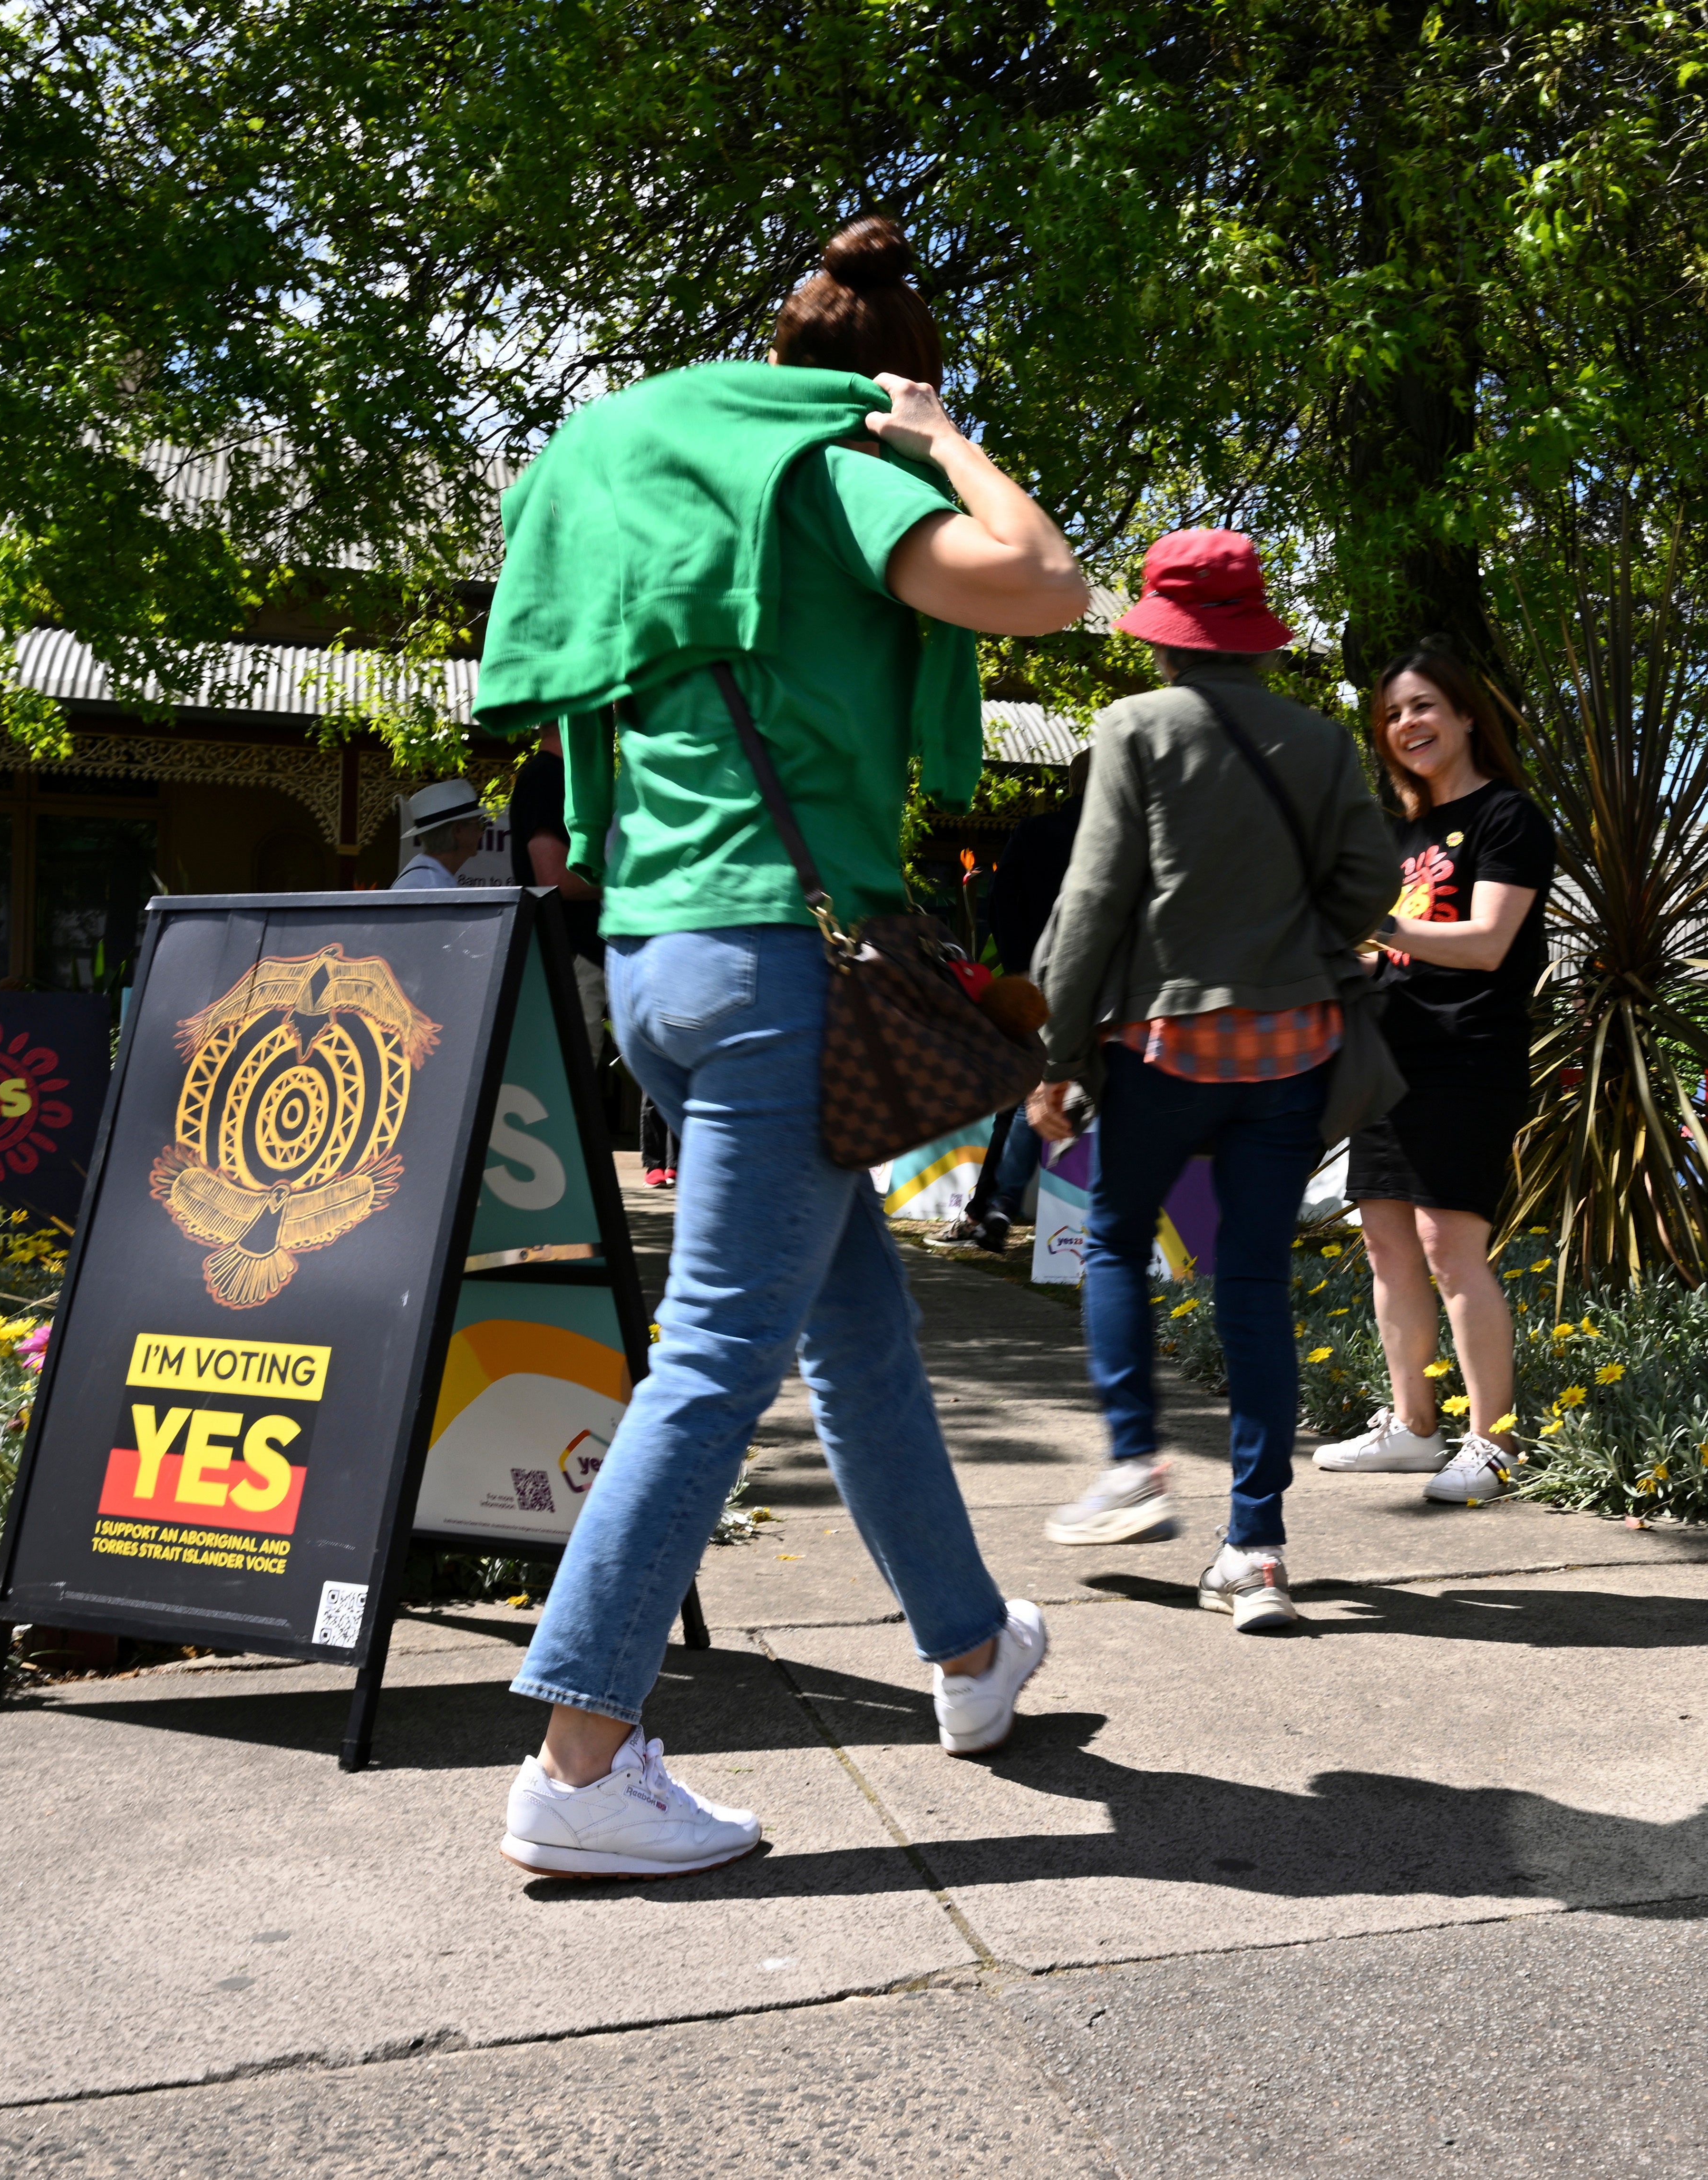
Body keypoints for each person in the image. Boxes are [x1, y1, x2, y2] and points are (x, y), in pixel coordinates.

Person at [472, 214, 1093, 1875]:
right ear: (878, 375)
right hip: (784, 970)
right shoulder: (831, 471)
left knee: (860, 1333)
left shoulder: (646, 492)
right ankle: (578, 1763)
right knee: (715, 1360)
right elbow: (1045, 585)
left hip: (656, 965)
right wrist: (941, 439)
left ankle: (970, 1654)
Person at [1026, 529, 1398, 1634]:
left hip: (1166, 1048)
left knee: (1114, 1233)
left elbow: (1092, 900)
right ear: (1255, 634)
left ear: (1162, 636)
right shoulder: (1325, 741)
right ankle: (1257, 1548)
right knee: (1252, 1282)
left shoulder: (1136, 728)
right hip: (1292, 1053)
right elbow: (1372, 879)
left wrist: (1055, 1052)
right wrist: (1296, 948)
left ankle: (1137, 1461)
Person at [1311, 645, 1551, 1505]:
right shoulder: (1403, 832)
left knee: (1453, 1247)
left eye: (1423, 706)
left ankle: (1495, 1441)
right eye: (1394, 715)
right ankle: (1413, 1427)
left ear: (1466, 715)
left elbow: (1486, 942)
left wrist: (1373, 920)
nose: (1408, 724)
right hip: (1390, 1054)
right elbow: (1390, 950)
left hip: (1468, 1054)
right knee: (1384, 1245)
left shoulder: (1508, 818)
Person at [948, 748, 1089, 1250]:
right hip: (1104, 988)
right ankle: (1006, 1208)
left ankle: (994, 1207)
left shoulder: (1036, 832)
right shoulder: (1121, 835)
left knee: (1024, 1093)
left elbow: (1003, 906)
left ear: (1070, 785)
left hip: (1037, 979)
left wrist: (1017, 973)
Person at [507, 723, 611, 1058]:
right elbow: (554, 879)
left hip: (576, 959)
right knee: (570, 1090)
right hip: (570, 961)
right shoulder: (547, 777)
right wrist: (630, 882)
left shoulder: (562, 778)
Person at [392, 779, 487, 889]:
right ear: (458, 830)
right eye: (480, 824)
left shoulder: (426, 878)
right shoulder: (430, 885)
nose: (482, 833)